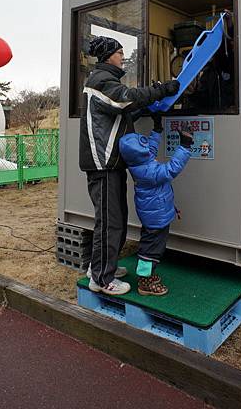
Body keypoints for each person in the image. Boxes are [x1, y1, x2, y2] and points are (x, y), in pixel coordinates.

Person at [79, 35, 180, 296]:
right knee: (110, 222)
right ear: (108, 55)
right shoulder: (101, 80)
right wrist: (162, 89)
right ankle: (102, 279)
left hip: (110, 164)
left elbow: (122, 112)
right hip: (103, 164)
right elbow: (126, 99)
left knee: (116, 219)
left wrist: (146, 111)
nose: (123, 56)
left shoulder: (105, 81)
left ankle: (101, 267)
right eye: (119, 52)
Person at [119, 114, 193, 295]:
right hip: (156, 218)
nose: (147, 146)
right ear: (141, 153)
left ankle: (148, 275)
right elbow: (171, 169)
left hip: (155, 214)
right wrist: (184, 146)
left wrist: (157, 128)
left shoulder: (139, 163)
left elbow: (150, 148)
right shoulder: (148, 171)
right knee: (151, 251)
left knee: (151, 246)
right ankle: (144, 282)